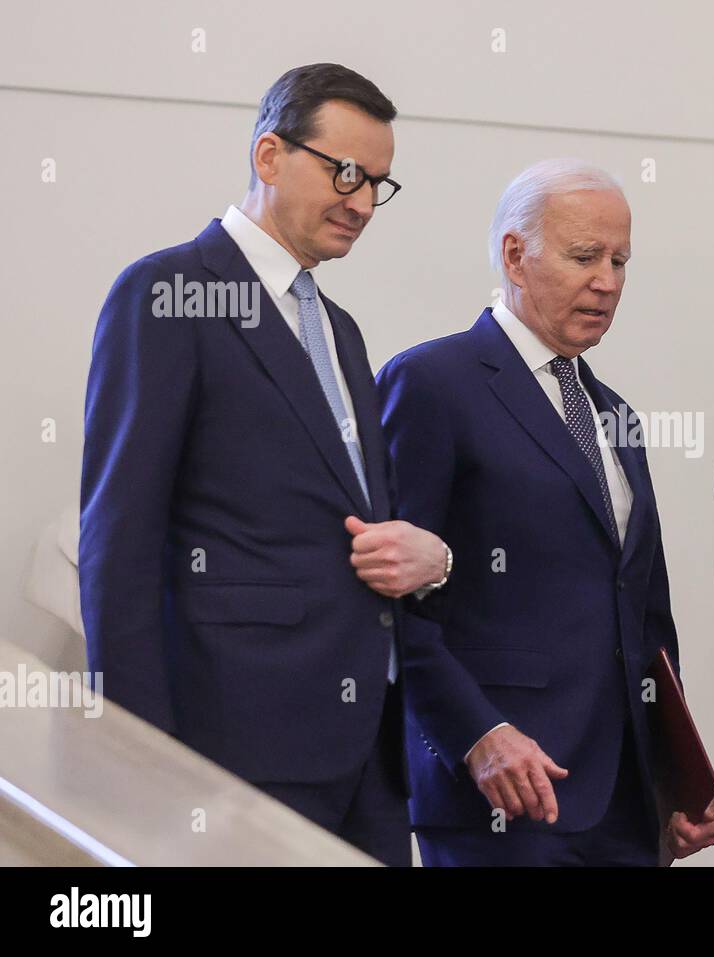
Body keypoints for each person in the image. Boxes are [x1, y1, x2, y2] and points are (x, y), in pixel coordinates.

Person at [80, 63, 450, 866]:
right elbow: (119, 540)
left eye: (378, 183)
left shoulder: (341, 327)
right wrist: (136, 756)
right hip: (232, 747)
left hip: (369, 754)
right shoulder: (169, 292)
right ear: (269, 155)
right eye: (345, 171)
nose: (360, 201)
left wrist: (424, 557)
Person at [377, 160, 714, 866]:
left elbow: (645, 612)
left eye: (620, 260)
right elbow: (391, 603)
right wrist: (475, 736)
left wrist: (672, 773)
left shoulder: (615, 414)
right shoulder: (432, 384)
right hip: (500, 797)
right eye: (584, 256)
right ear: (515, 254)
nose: (608, 280)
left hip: (625, 804)